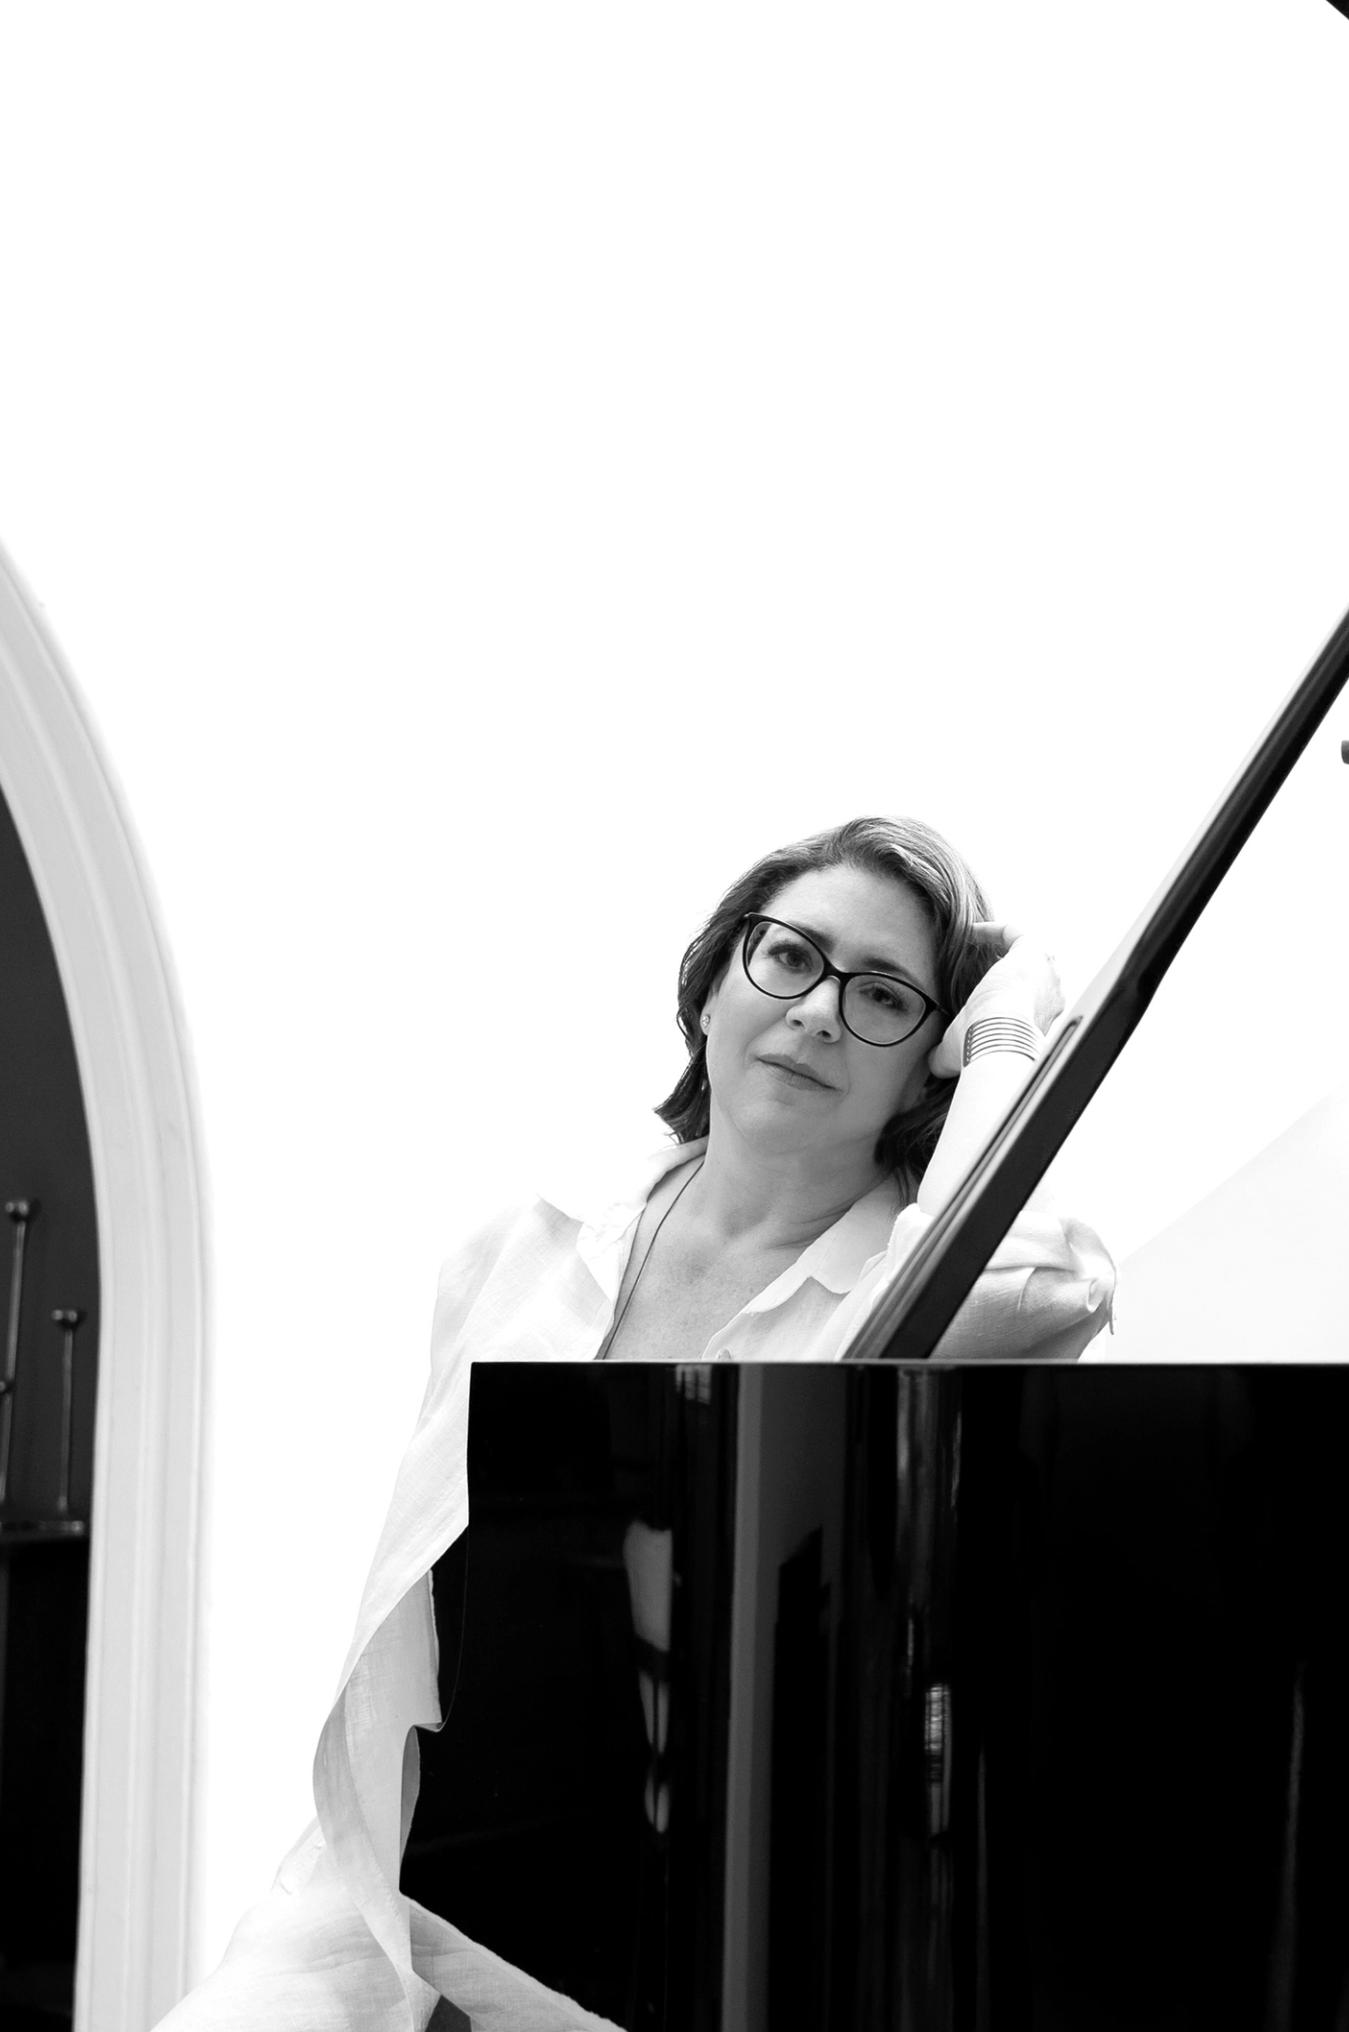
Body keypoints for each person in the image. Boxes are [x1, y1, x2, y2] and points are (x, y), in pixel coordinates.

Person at [160, 817, 1113, 2032]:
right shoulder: (522, 1246)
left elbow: (1022, 1269)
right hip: (416, 1893)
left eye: (883, 995)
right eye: (790, 956)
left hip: (719, 1937)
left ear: (931, 1063)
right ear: (713, 983)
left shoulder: (957, 1286)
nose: (820, 1011)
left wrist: (1010, 1036)